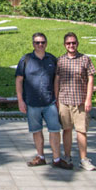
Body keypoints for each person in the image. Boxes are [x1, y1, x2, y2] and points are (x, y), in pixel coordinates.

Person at [16, 32, 69, 169]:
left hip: (49, 101)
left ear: (46, 43)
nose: (40, 45)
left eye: (42, 42)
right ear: (33, 44)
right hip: (32, 102)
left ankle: (56, 158)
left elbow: (58, 79)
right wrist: (20, 100)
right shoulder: (26, 60)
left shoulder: (52, 59)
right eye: (37, 42)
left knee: (54, 130)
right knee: (36, 130)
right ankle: (40, 157)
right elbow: (19, 80)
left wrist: (58, 99)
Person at [55, 32, 96, 171]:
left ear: (77, 43)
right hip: (64, 100)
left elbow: (91, 79)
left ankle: (83, 159)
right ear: (64, 45)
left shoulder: (85, 59)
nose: (71, 45)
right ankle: (67, 157)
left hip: (80, 101)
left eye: (73, 43)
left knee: (81, 131)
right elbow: (57, 80)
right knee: (66, 130)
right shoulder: (60, 60)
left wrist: (88, 99)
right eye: (68, 43)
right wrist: (56, 99)